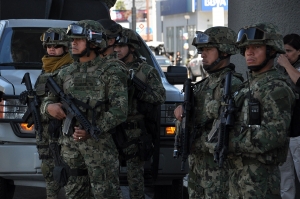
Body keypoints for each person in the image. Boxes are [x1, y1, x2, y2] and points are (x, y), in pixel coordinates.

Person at [206, 22, 295, 199]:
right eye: (246, 48)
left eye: (256, 47)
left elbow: (273, 136)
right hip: (238, 177)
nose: (249, 52)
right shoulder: (249, 85)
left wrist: (230, 140)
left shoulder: (276, 88)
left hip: (259, 181)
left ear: (271, 50)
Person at [41, 20, 128, 199]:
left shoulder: (110, 72)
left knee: (106, 194)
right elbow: (47, 99)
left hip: (100, 149)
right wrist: (49, 107)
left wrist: (93, 129)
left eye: (78, 40)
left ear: (93, 42)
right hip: (71, 151)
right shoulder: (65, 72)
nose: (73, 43)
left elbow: (120, 110)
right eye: (72, 40)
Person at [174, 26, 243, 199]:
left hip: (217, 168)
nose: (202, 54)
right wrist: (180, 113)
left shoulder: (232, 84)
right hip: (198, 164)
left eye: (208, 49)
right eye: (201, 50)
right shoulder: (203, 85)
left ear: (225, 51)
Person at [114, 28, 166, 199]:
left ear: (133, 48)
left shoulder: (146, 71)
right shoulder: (109, 69)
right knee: (108, 177)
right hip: (112, 127)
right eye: (115, 46)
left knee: (135, 179)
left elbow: (159, 96)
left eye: (121, 46)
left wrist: (137, 90)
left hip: (134, 130)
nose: (117, 50)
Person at [27, 28, 73, 199]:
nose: (52, 49)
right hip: (45, 131)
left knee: (70, 173)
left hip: (62, 131)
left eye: (57, 45)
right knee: (48, 172)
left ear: (66, 48)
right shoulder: (46, 69)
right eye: (49, 46)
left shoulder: (69, 70)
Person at [276, 33, 300, 199]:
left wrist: (286, 65)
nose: (285, 55)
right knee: (285, 180)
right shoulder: (279, 69)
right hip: (284, 131)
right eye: (282, 52)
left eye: (289, 51)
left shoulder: (293, 68)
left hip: (298, 132)